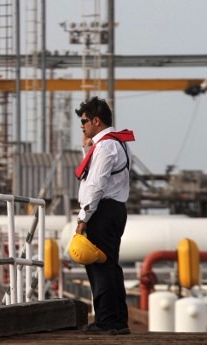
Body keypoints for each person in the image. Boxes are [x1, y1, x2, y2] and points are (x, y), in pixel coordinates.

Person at [74, 96, 135, 335]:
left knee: (99, 267)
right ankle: (117, 320)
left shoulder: (107, 146)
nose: (82, 125)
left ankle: (106, 321)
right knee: (110, 266)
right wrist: (87, 147)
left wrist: (83, 218)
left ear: (96, 120)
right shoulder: (116, 142)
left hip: (103, 211)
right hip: (114, 209)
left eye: (84, 120)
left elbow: (96, 184)